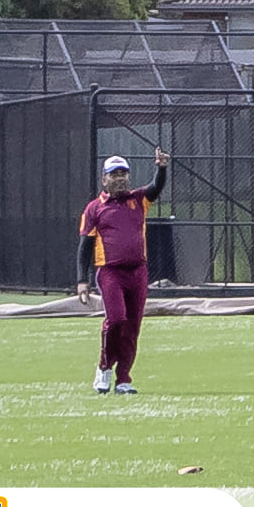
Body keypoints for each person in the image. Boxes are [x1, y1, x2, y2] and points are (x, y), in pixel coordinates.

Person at [75, 149, 169, 395]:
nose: (120, 178)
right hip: (110, 272)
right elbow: (85, 246)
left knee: (132, 327)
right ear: (104, 179)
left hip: (137, 272)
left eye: (123, 174)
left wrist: (161, 168)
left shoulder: (137, 200)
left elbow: (156, 187)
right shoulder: (94, 208)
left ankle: (123, 379)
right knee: (116, 319)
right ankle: (104, 367)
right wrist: (82, 280)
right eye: (114, 174)